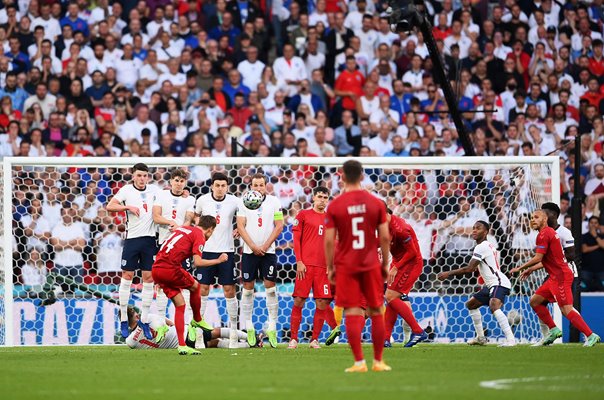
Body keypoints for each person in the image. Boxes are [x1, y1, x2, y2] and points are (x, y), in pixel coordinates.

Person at [324, 160, 391, 373]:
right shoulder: (376, 203)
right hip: (370, 262)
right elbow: (385, 237)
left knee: (352, 311)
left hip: (346, 265)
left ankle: (359, 362)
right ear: (362, 176)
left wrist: (330, 267)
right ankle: (379, 362)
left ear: (341, 176)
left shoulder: (335, 205)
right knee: (376, 310)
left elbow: (328, 240)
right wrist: (385, 264)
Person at [510, 210, 600, 347]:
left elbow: (538, 258)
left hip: (561, 277)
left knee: (566, 310)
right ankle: (553, 329)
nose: (532, 220)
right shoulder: (548, 233)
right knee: (535, 301)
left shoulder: (544, 234)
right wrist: (530, 269)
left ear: (545, 219)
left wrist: (520, 268)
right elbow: (548, 260)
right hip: (554, 277)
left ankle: (591, 335)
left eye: (536, 217)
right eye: (531, 218)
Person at [152, 216, 228, 355]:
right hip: (170, 269)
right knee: (196, 286)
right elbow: (197, 262)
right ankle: (197, 319)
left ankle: (182, 345)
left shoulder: (183, 228)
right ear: (210, 230)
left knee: (180, 305)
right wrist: (218, 260)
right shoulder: (199, 235)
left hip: (156, 270)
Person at [437, 221, 517, 347]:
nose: (474, 230)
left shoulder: (482, 247)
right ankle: (480, 338)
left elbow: (470, 268)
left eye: (478, 228)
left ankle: (511, 340)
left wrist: (448, 273)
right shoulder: (486, 246)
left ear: (486, 232)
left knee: (494, 306)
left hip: (498, 282)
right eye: (473, 228)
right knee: (471, 304)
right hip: (492, 283)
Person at [106, 163, 160, 339]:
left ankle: (143, 321)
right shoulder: (126, 191)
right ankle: (123, 318)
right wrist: (127, 207)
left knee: (148, 279)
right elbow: (110, 206)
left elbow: (169, 199)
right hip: (132, 240)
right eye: (139, 175)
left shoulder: (155, 190)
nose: (142, 178)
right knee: (127, 276)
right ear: (133, 176)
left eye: (145, 175)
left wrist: (183, 193)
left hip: (150, 240)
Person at [237, 173, 284, 348]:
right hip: (249, 252)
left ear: (266, 186)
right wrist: (253, 246)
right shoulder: (244, 202)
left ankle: (272, 327)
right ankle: (249, 327)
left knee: (270, 288)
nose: (258, 188)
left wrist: (264, 245)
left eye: (261, 185)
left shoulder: (274, 202)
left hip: (268, 251)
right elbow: (240, 225)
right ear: (251, 187)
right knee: (248, 289)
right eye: (255, 185)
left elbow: (279, 226)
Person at [194, 172, 241, 348]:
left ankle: (234, 334)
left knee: (229, 290)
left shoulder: (235, 201)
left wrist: (238, 229)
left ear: (227, 186)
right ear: (212, 186)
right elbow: (195, 217)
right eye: (217, 185)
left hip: (226, 250)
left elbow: (244, 218)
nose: (220, 188)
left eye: (223, 185)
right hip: (205, 250)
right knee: (203, 290)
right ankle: (199, 335)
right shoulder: (202, 200)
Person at [288, 186, 338, 349]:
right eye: (320, 196)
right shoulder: (303, 215)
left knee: (322, 303)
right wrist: (299, 261)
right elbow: (296, 239)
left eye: (325, 197)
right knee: (299, 300)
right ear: (313, 198)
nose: (323, 200)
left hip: (323, 268)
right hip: (306, 266)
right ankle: (293, 339)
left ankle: (314, 339)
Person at [532, 202, 577, 345]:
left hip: (566, 273)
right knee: (538, 302)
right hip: (552, 273)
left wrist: (552, 255)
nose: (543, 215)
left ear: (553, 215)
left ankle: (587, 334)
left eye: (546, 212)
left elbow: (571, 255)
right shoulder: (544, 232)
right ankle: (547, 336)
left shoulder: (564, 232)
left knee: (566, 309)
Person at [152, 168, 195, 318]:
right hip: (164, 245)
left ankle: (188, 323)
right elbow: (156, 217)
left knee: (186, 282)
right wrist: (170, 222)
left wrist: (180, 228)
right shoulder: (161, 195)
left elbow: (189, 220)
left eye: (182, 181)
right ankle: (161, 321)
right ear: (171, 181)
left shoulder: (190, 199)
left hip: (182, 246)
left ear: (185, 183)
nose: (178, 184)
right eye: (176, 180)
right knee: (162, 284)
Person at [383, 208, 428, 348]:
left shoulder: (401, 229)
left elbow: (413, 253)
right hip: (398, 262)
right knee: (391, 298)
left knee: (391, 296)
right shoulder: (383, 225)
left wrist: (396, 267)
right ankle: (385, 339)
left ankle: (418, 330)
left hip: (411, 264)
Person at [124, 307, 263, 350]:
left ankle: (250, 345)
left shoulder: (130, 341)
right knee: (214, 332)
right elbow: (169, 323)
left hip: (178, 345)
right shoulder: (148, 318)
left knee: (213, 343)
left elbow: (134, 340)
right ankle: (252, 339)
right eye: (137, 314)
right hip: (183, 334)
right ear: (136, 317)